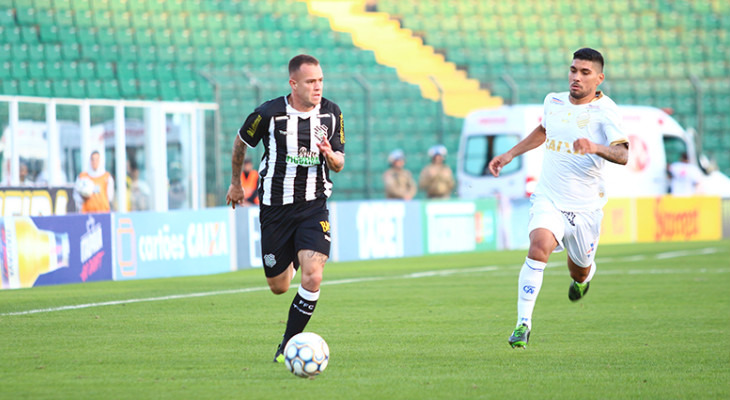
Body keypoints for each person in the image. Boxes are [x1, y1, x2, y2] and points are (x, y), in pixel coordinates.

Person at [488, 48, 629, 348]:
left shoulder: (607, 111)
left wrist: (595, 147)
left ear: (599, 78)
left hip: (586, 208)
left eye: (584, 72)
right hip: (549, 197)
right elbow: (544, 130)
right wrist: (510, 154)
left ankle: (584, 278)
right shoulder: (553, 100)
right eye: (573, 70)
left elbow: (623, 153)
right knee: (538, 246)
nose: (576, 77)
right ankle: (522, 325)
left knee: (578, 269)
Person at [225, 54, 345, 363]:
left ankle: (288, 344)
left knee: (313, 276)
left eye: (320, 80)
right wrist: (236, 184)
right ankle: (292, 253)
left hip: (313, 207)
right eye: (310, 82)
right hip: (275, 209)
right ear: (293, 84)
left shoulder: (332, 114)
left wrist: (331, 156)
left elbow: (340, 163)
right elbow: (240, 143)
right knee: (278, 286)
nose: (317, 87)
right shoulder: (268, 113)